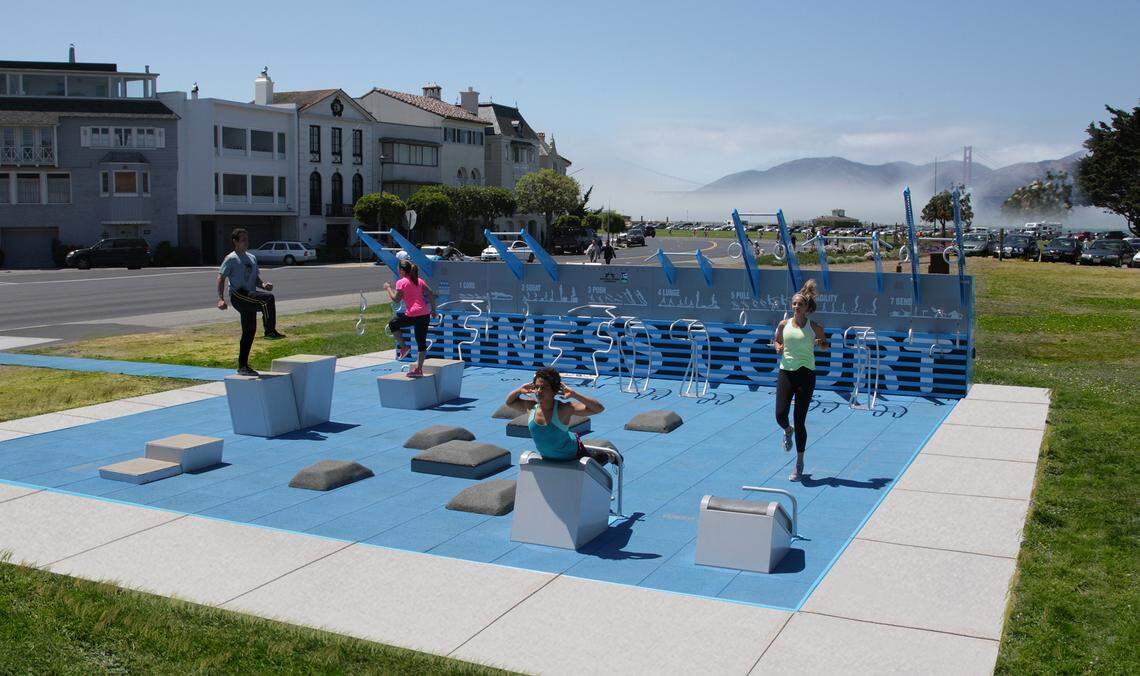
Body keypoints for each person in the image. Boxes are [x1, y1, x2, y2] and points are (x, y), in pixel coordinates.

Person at [504, 367, 620, 466]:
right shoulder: (530, 406)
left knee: (595, 463)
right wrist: (519, 390)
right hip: (549, 457)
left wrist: (574, 394)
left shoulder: (563, 409)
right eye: (536, 387)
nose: (538, 391)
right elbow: (509, 402)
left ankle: (610, 456)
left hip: (574, 454)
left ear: (555, 391)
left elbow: (598, 408)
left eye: (544, 388)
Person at [773, 279, 828, 481]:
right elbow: (777, 341)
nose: (797, 306)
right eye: (794, 303)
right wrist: (777, 347)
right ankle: (788, 431)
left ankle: (799, 463)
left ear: (807, 308)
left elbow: (825, 346)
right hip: (786, 373)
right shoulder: (783, 324)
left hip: (806, 374)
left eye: (800, 304)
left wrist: (821, 343)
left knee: (800, 419)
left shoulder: (815, 327)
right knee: (780, 415)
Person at [216, 228, 285, 377]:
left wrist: (264, 285)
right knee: (267, 299)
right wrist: (221, 299)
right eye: (243, 240)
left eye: (247, 239)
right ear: (235, 242)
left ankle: (243, 366)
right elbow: (221, 278)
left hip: (249, 294)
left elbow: (255, 278)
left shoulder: (252, 258)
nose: (246, 242)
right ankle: (270, 331)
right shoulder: (231, 258)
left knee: (249, 332)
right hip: (238, 295)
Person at [385, 259, 435, 377]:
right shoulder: (419, 281)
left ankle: (404, 347)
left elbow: (396, 299)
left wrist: (387, 288)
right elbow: (430, 292)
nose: (398, 272)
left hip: (413, 314)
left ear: (402, 271)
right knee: (421, 343)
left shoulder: (401, 282)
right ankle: (419, 369)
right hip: (424, 314)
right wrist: (433, 309)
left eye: (399, 270)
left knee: (393, 324)